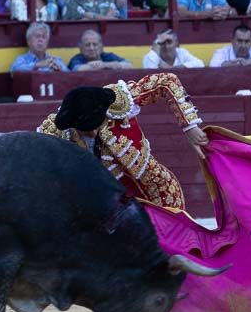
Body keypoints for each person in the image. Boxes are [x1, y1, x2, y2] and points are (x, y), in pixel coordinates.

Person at [36, 73, 207, 210]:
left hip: (159, 190)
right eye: (86, 130)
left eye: (97, 124)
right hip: (110, 208)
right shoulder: (54, 134)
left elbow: (166, 81)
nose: (94, 132)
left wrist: (190, 126)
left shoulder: (118, 100)